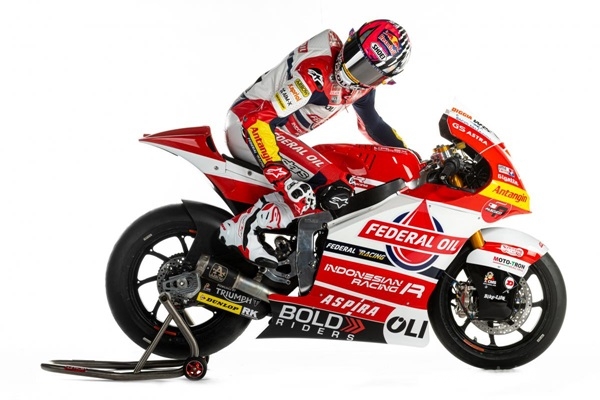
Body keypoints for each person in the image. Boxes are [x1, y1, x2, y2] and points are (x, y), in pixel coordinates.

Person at [219, 19, 412, 266]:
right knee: (332, 187)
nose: (351, 70)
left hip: (269, 131)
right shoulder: (316, 73)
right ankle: (245, 229)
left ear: (382, 80)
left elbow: (373, 124)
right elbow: (257, 121)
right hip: (249, 123)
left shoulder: (363, 89)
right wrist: (283, 179)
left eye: (366, 70)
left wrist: (410, 157)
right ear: (350, 40)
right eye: (354, 55)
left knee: (340, 183)